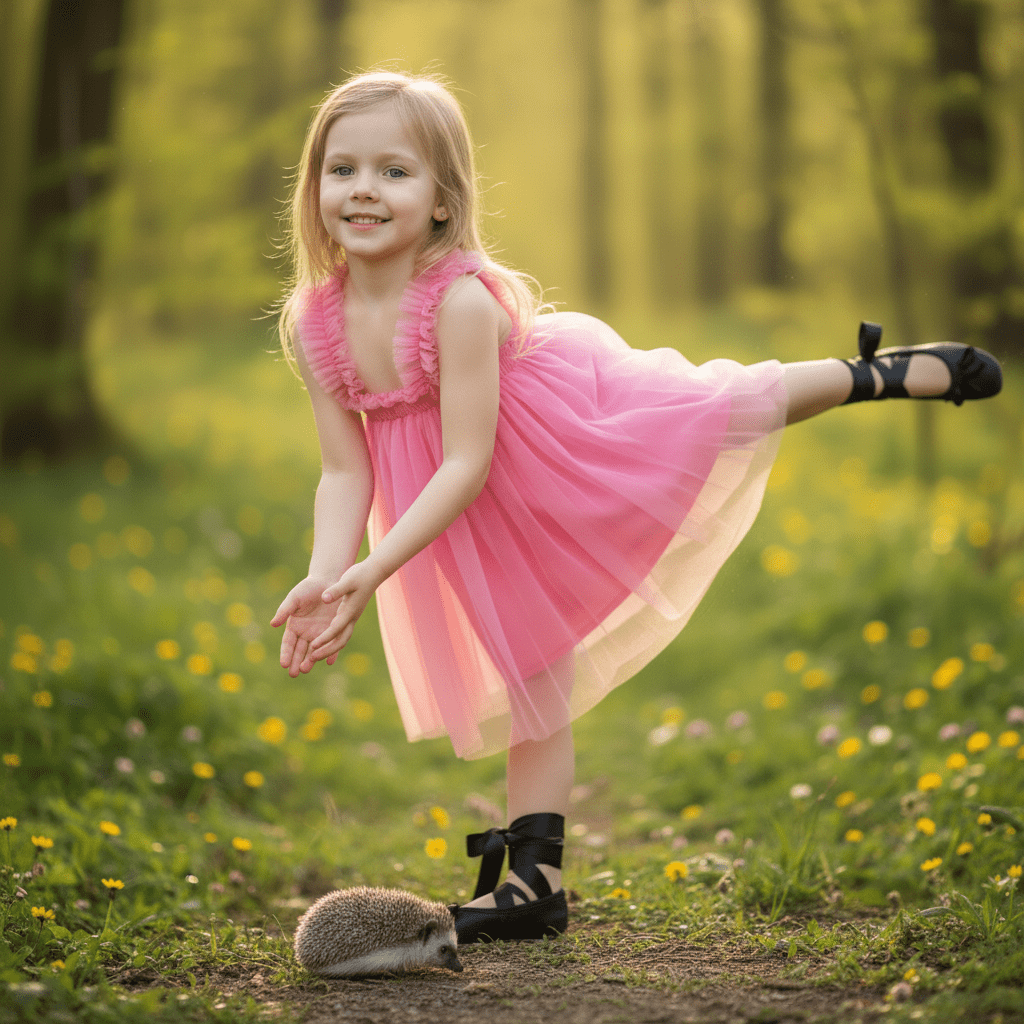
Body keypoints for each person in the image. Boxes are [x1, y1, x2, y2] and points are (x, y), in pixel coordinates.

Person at [270, 71, 1002, 944]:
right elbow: (344, 471)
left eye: (395, 171)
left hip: (547, 446)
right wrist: (326, 577)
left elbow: (467, 459)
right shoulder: (313, 321)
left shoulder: (459, 303)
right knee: (530, 669)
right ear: (313, 189)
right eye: (342, 168)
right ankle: (536, 883)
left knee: (712, 409)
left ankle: (868, 374)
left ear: (440, 200)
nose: (363, 189)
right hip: (449, 506)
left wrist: (372, 569)